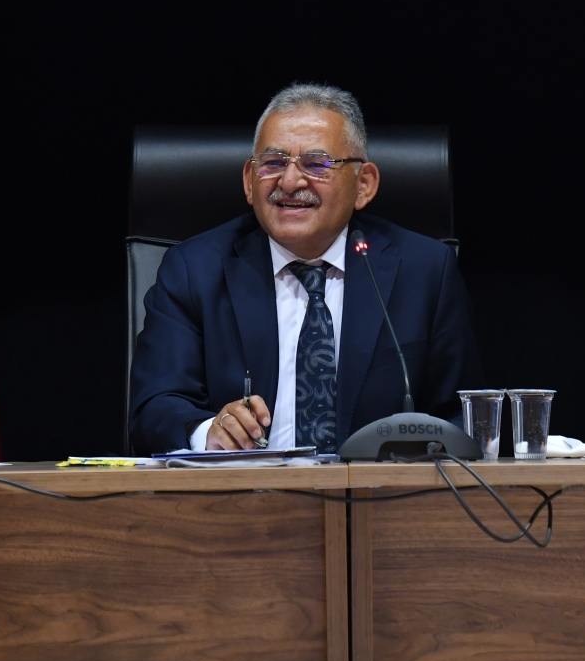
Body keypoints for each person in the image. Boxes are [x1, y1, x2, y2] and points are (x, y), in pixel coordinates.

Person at [128, 83, 483, 455]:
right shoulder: (194, 270)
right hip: (243, 488)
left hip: (378, 489)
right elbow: (155, 406)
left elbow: (462, 414)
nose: (290, 182)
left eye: (317, 164)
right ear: (249, 181)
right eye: (273, 163)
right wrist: (209, 434)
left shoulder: (424, 271)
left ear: (364, 184)